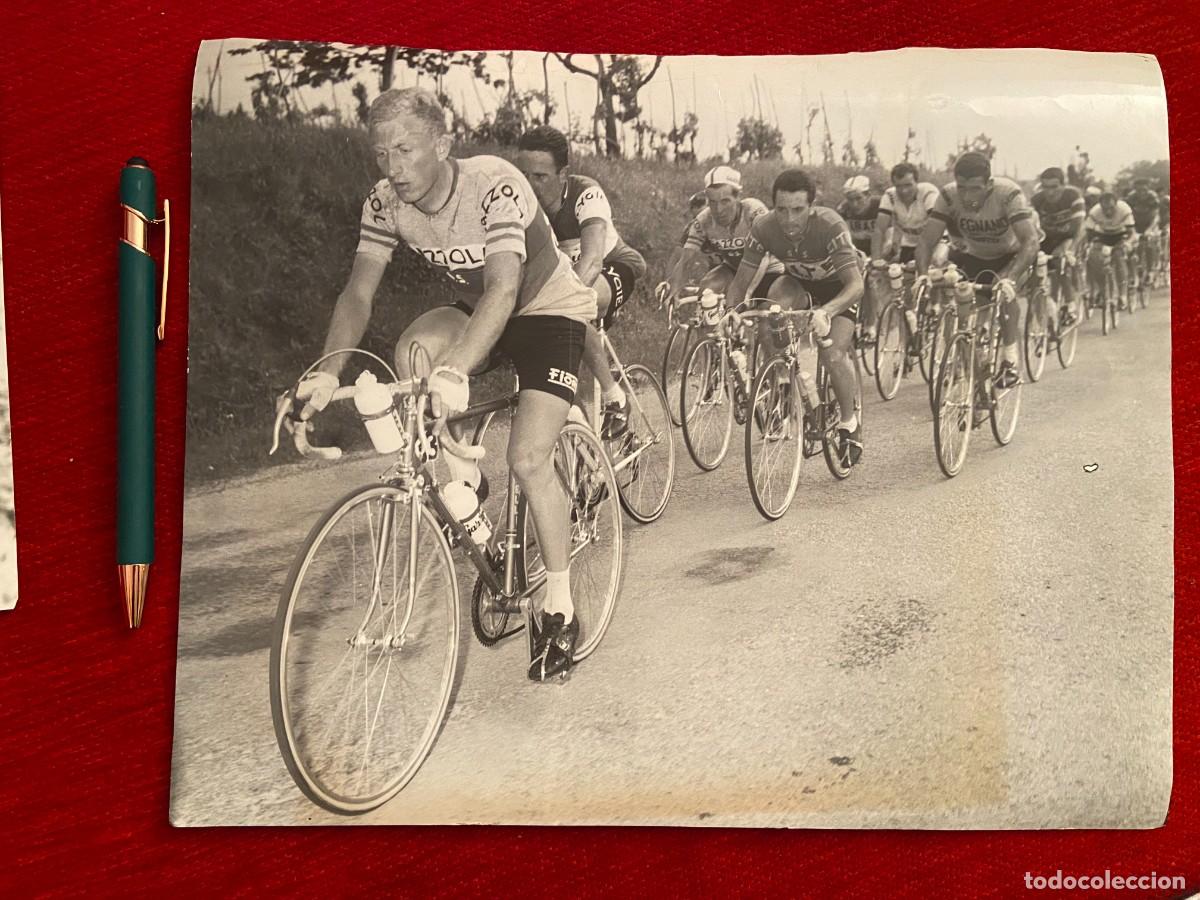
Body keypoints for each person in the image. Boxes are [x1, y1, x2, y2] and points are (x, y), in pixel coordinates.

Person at [291, 88, 597, 681]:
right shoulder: (383, 203)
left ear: (443, 144)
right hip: (479, 306)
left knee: (530, 459)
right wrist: (328, 371)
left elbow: (506, 289)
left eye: (405, 150)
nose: (394, 168)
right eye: (381, 154)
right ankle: (468, 496)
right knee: (412, 352)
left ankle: (558, 605)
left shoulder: (495, 182)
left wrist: (456, 369)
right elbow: (357, 293)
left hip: (546, 309)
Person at [722, 168, 866, 464]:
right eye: (782, 210)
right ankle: (784, 386)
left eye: (798, 210)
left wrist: (827, 310)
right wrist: (731, 313)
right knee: (768, 317)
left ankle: (849, 424)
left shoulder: (830, 224)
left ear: (812, 207)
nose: (789, 220)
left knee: (833, 353)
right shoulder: (763, 227)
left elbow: (856, 285)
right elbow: (740, 283)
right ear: (773, 206)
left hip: (838, 289)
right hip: (798, 282)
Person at [516, 125, 647, 438]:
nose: (530, 185)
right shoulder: (517, 202)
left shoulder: (585, 193)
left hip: (615, 265)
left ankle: (615, 398)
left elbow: (592, 260)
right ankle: (586, 448)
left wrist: (557, 298)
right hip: (565, 272)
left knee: (570, 307)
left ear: (563, 174)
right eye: (525, 175)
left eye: (540, 176)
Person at [914, 152, 1041, 389]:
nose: (967, 196)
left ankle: (1010, 359)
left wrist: (1011, 278)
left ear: (989, 184)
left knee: (1004, 293)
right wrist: (922, 275)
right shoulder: (948, 195)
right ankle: (971, 363)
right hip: (975, 256)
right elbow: (926, 241)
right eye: (962, 188)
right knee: (963, 308)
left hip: (1010, 256)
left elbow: (1030, 241)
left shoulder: (1008, 193)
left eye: (975, 189)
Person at [662, 165, 783, 304]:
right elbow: (685, 260)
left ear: (737, 197)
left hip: (768, 271)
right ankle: (711, 324)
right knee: (708, 288)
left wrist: (746, 292)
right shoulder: (703, 219)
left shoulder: (753, 211)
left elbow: (764, 258)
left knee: (767, 316)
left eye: (725, 201)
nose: (719, 210)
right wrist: (673, 288)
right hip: (734, 270)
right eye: (713, 202)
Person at [1031, 166, 1086, 325]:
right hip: (1047, 238)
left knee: (1059, 260)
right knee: (1034, 267)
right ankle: (1044, 307)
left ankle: (1071, 306)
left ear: (1063, 185)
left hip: (1070, 236)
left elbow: (1077, 228)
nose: (1050, 192)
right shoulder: (1036, 200)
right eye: (1046, 187)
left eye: (1054, 187)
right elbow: (1030, 228)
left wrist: (1071, 251)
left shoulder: (1073, 196)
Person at [838, 175, 882, 340]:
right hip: (856, 250)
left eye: (858, 199)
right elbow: (841, 236)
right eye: (850, 199)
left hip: (878, 248)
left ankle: (871, 324)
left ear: (868, 194)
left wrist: (878, 257)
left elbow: (889, 235)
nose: (854, 204)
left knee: (871, 281)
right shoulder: (843, 209)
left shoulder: (879, 205)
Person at [1084, 190, 1136, 308]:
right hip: (1103, 235)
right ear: (1100, 205)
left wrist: (1127, 243)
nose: (1108, 211)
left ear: (1116, 204)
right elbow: (1088, 234)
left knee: (1119, 257)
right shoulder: (1095, 211)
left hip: (1121, 235)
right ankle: (1100, 290)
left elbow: (1132, 233)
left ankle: (1122, 295)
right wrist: (1088, 246)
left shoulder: (1124, 209)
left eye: (1111, 208)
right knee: (1093, 258)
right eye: (1104, 208)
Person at [1125, 177, 1160, 277]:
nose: (1141, 193)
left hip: (1150, 224)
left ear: (1148, 189)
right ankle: (1134, 269)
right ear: (1135, 189)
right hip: (1135, 224)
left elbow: (1156, 216)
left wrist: (1149, 230)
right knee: (1131, 245)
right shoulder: (1130, 197)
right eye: (1139, 190)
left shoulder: (1152, 196)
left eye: (1144, 190)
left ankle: (1150, 269)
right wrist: (1132, 230)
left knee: (1149, 242)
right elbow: (1128, 214)